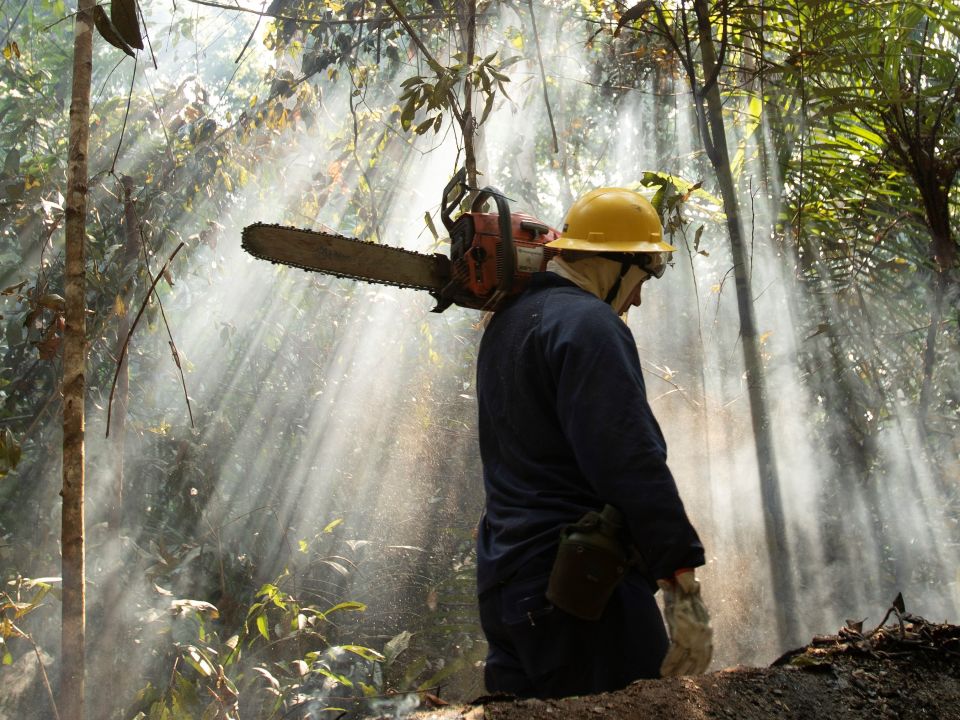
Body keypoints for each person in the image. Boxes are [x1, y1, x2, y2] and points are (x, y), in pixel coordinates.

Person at [475, 187, 712, 699]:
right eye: (643, 276)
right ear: (617, 264)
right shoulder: (590, 324)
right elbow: (628, 458)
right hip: (580, 591)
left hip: (506, 586)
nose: (640, 297)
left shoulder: (506, 326)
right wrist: (680, 579)